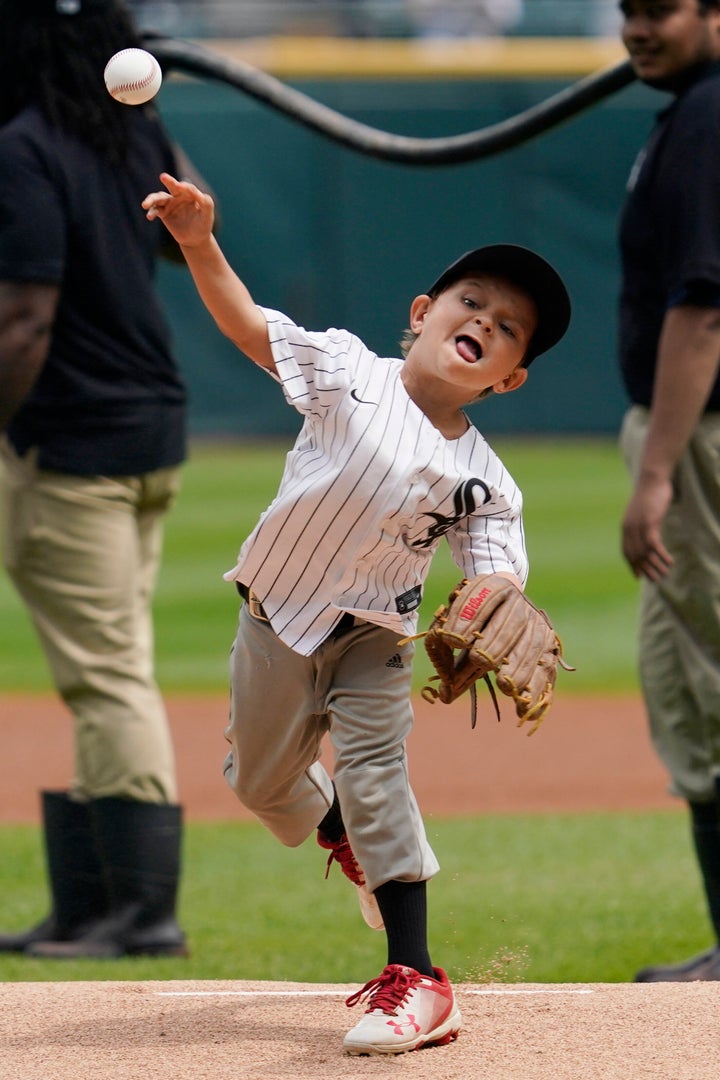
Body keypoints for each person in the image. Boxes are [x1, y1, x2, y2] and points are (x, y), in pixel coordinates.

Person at [143, 172, 570, 1052]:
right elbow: (249, 326)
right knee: (259, 782)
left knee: (377, 773)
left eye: (507, 329)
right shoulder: (346, 371)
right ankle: (339, 836)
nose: (484, 322)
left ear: (510, 378)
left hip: (375, 637)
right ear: (422, 312)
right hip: (274, 618)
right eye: (472, 302)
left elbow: (496, 577)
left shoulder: (486, 481)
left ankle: (417, 979)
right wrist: (198, 243)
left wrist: (494, 599)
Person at [0, 0, 210, 959]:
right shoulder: (128, 128)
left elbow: (23, 322)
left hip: (77, 445)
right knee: (108, 662)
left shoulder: (26, 145)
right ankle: (88, 907)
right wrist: (142, 119)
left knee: (108, 675)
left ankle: (141, 910)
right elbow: (186, 229)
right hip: (149, 427)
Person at [616, 0, 720, 982]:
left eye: (660, 9)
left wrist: (655, 472)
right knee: (688, 692)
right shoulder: (686, 111)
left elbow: (704, 309)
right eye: (627, 10)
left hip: (699, 436)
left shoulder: (708, 116)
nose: (638, 28)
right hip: (685, 433)